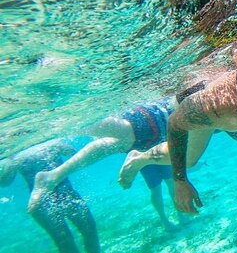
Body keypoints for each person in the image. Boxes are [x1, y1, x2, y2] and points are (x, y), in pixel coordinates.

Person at [119, 29, 237, 214]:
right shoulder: (221, 104)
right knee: (189, 160)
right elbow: (176, 123)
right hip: (211, 106)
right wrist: (179, 179)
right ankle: (138, 158)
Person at [28, 97, 185, 230]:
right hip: (161, 119)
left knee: (115, 144)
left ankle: (53, 174)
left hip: (159, 138)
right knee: (127, 131)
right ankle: (61, 119)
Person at [0, 139, 107, 253]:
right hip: (41, 200)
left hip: (67, 191)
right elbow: (4, 182)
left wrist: (59, 145)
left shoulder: (47, 141)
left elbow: (74, 154)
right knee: (63, 238)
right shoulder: (15, 152)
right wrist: (12, 162)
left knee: (89, 227)